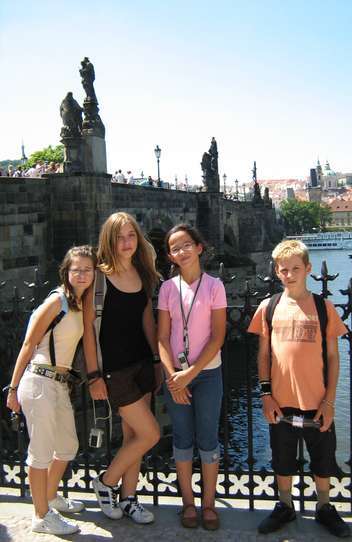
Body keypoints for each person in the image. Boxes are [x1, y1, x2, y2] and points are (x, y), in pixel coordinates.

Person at [248, 239, 351, 538]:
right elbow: (263, 356)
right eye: (284, 270)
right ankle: (285, 505)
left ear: (308, 269)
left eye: (295, 268)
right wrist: (266, 395)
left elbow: (333, 358)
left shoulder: (323, 307)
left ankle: (324, 506)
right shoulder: (268, 308)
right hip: (280, 401)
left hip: (316, 400)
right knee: (282, 458)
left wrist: (329, 401)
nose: (289, 274)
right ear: (276, 272)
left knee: (323, 458)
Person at [6, 245, 97, 535]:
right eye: (76, 269)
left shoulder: (80, 303)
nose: (82, 274)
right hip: (39, 381)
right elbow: (28, 344)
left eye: (87, 269)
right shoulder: (56, 302)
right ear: (66, 272)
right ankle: (41, 515)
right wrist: (13, 388)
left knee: (67, 446)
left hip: (58, 383)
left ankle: (50, 496)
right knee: (41, 452)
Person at [83, 211, 162, 524]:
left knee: (134, 437)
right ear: (109, 241)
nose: (127, 243)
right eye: (120, 237)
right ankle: (106, 482)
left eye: (131, 236)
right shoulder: (98, 278)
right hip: (115, 371)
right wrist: (93, 376)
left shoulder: (142, 273)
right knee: (150, 433)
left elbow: (146, 321)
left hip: (141, 363)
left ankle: (129, 499)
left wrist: (156, 360)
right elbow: (89, 331)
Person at [157, 224, 227, 531]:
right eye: (175, 248)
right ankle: (188, 503)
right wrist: (173, 377)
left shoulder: (214, 286)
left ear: (199, 248)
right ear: (170, 256)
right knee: (182, 439)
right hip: (176, 376)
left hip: (207, 374)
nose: (182, 251)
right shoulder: (167, 289)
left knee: (208, 439)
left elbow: (218, 337)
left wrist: (190, 373)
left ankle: (208, 504)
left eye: (187, 245)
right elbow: (162, 338)